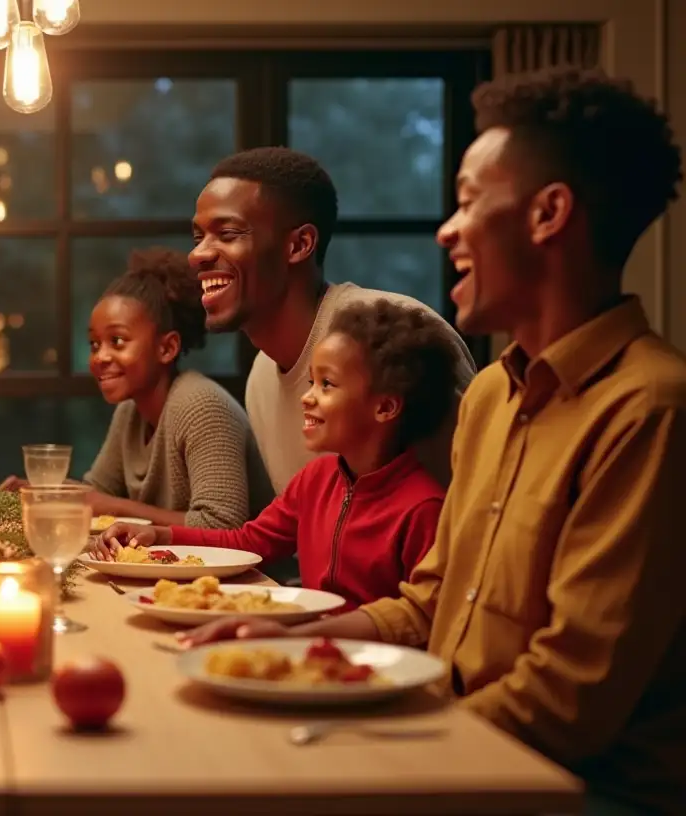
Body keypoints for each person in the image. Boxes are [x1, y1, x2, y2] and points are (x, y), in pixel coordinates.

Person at [180, 69, 686, 813]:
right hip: (462, 746)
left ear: (549, 214)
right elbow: (427, 604)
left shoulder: (648, 409)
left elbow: (566, 700)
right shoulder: (490, 396)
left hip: (578, 788)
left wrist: (378, 742)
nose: (448, 229)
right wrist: (286, 633)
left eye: (472, 202)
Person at [95, 299, 457, 610]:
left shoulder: (422, 509)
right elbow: (248, 542)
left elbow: (421, 619)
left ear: (385, 407)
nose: (307, 396)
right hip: (308, 644)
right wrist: (160, 536)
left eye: (326, 384)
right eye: (311, 381)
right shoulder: (316, 479)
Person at [191, 146, 477, 495]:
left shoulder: (392, 334)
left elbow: (473, 499)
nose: (198, 254)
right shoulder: (261, 378)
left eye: (228, 234)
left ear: (299, 245)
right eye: (198, 236)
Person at [7, 248, 270, 528]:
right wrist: (42, 494)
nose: (100, 357)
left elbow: (222, 525)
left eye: (117, 341)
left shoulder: (201, 406)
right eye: (94, 344)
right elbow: (98, 493)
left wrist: (117, 508)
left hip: (260, 572)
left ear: (167, 348)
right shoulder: (130, 412)